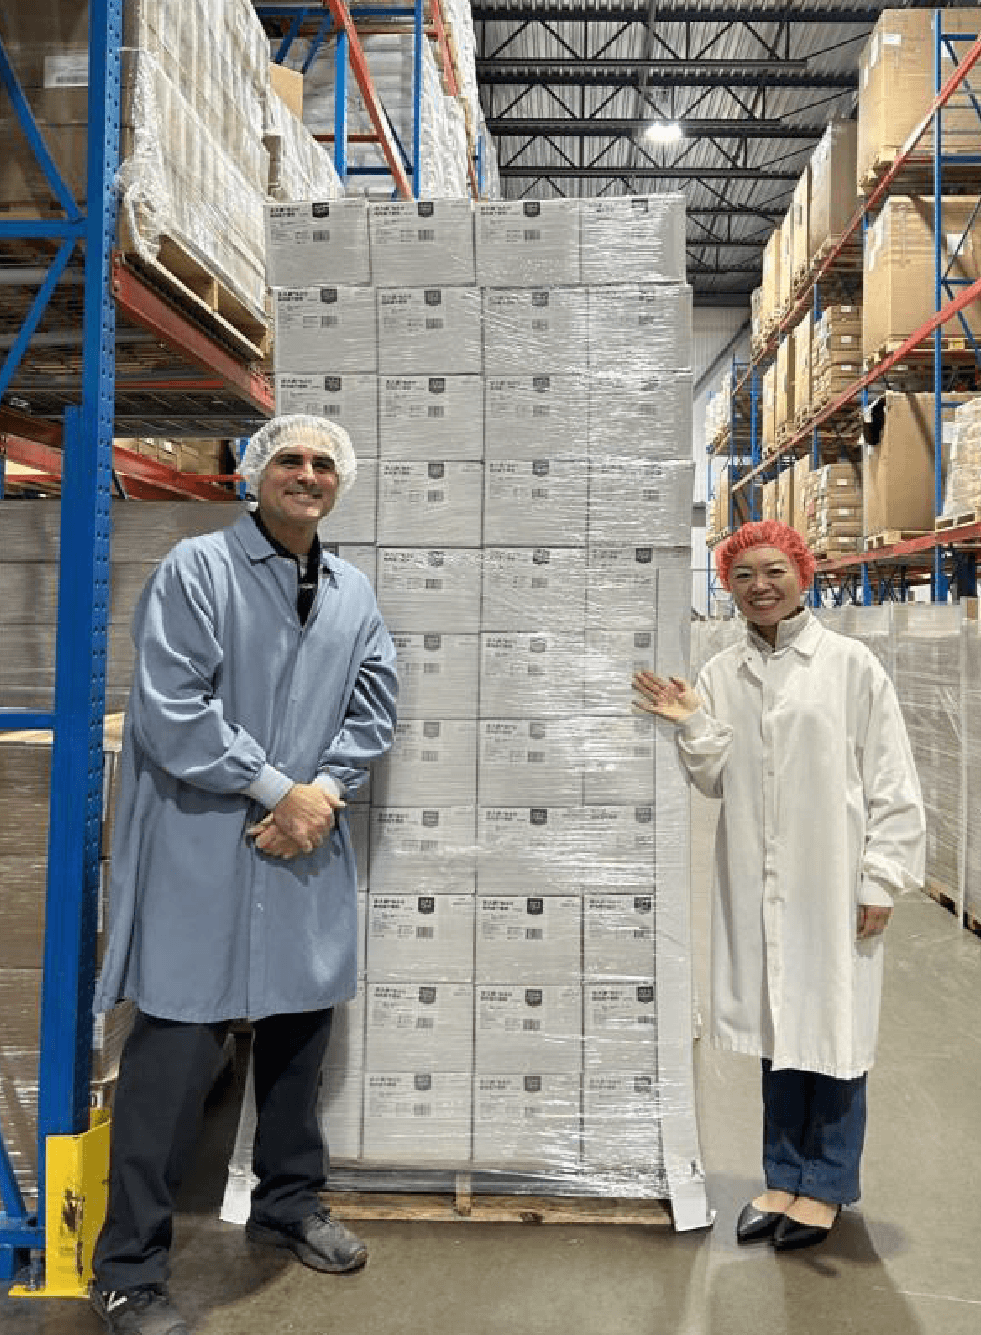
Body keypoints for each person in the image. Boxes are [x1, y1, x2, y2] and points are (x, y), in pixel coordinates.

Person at [89, 415, 398, 1334]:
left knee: (298, 1045)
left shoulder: (351, 592)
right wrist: (277, 788)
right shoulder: (196, 571)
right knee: (174, 1059)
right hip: (204, 845)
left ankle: (287, 1202)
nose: (307, 474)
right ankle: (129, 1270)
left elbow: (375, 705)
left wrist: (324, 795)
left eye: (323, 463)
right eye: (290, 460)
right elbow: (170, 710)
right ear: (251, 476)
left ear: (339, 482)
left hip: (302, 849)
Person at [633, 520, 925, 1252]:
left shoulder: (850, 666)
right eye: (742, 575)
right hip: (757, 883)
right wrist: (691, 722)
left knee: (832, 1033)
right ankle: (780, 1175)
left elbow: (892, 781)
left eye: (772, 570)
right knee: (777, 1031)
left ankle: (823, 1184)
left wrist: (880, 878)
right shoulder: (722, 673)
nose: (759, 585)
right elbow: (712, 778)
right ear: (727, 586)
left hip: (832, 879)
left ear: (802, 572)